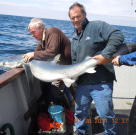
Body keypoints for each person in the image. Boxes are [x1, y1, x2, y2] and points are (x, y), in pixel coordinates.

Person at [68, 2, 124, 135]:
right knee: (80, 113)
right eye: (72, 18)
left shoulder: (97, 26)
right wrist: (72, 77)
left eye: (78, 16)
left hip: (102, 81)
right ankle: (81, 133)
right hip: (82, 83)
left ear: (85, 15)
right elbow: (75, 60)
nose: (75, 20)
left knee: (105, 114)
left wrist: (106, 55)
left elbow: (117, 36)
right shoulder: (74, 36)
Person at [23, 18, 73, 108]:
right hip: (57, 67)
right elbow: (36, 54)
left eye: (33, 32)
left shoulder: (53, 33)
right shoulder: (41, 39)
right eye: (31, 33)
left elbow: (52, 53)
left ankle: (67, 108)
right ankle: (66, 105)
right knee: (45, 85)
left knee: (53, 91)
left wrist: (33, 54)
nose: (32, 35)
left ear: (40, 28)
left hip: (66, 68)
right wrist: (26, 59)